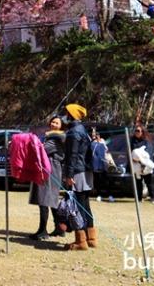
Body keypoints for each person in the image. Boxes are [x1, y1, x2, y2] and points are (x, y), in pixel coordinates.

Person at [63, 103, 96, 250]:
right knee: (86, 204)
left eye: (67, 113)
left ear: (71, 115)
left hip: (77, 172)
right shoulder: (83, 130)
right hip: (86, 171)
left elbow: (72, 155)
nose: (65, 116)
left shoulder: (73, 132)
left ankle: (80, 241)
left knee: (78, 206)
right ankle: (91, 238)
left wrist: (69, 175)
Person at [29, 116, 65, 240]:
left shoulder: (55, 138)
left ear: (61, 126)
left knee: (44, 200)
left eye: (57, 123)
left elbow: (42, 151)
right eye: (52, 122)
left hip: (50, 171)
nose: (54, 124)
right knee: (52, 200)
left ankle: (43, 231)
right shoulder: (50, 136)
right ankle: (59, 228)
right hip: (52, 170)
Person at [129, 125, 154, 203]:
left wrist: (142, 162)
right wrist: (133, 159)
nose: (136, 132)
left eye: (138, 131)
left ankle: (153, 198)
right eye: (136, 130)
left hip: (146, 165)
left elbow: (148, 153)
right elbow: (130, 151)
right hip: (136, 165)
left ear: (142, 132)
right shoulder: (132, 141)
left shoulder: (146, 141)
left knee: (149, 183)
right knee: (138, 183)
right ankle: (139, 199)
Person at [90, 129, 110, 202]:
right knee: (97, 181)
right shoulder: (92, 143)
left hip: (103, 164)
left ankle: (109, 195)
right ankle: (99, 195)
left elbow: (107, 150)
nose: (95, 136)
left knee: (105, 180)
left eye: (97, 134)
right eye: (94, 135)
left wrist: (102, 142)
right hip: (95, 164)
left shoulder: (103, 142)